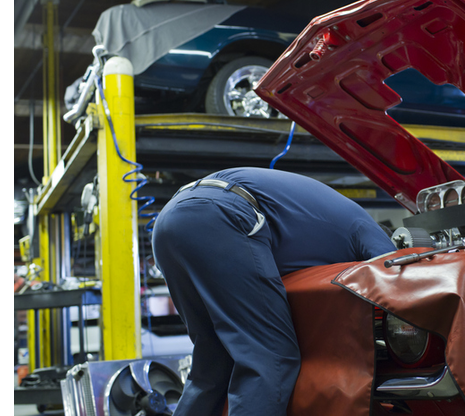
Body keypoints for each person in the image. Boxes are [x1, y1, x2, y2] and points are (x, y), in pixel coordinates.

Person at [151, 167, 396, 416]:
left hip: (170, 221)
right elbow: (394, 280)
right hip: (223, 213)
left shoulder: (325, 228)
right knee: (270, 357)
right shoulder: (367, 228)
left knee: (213, 358)